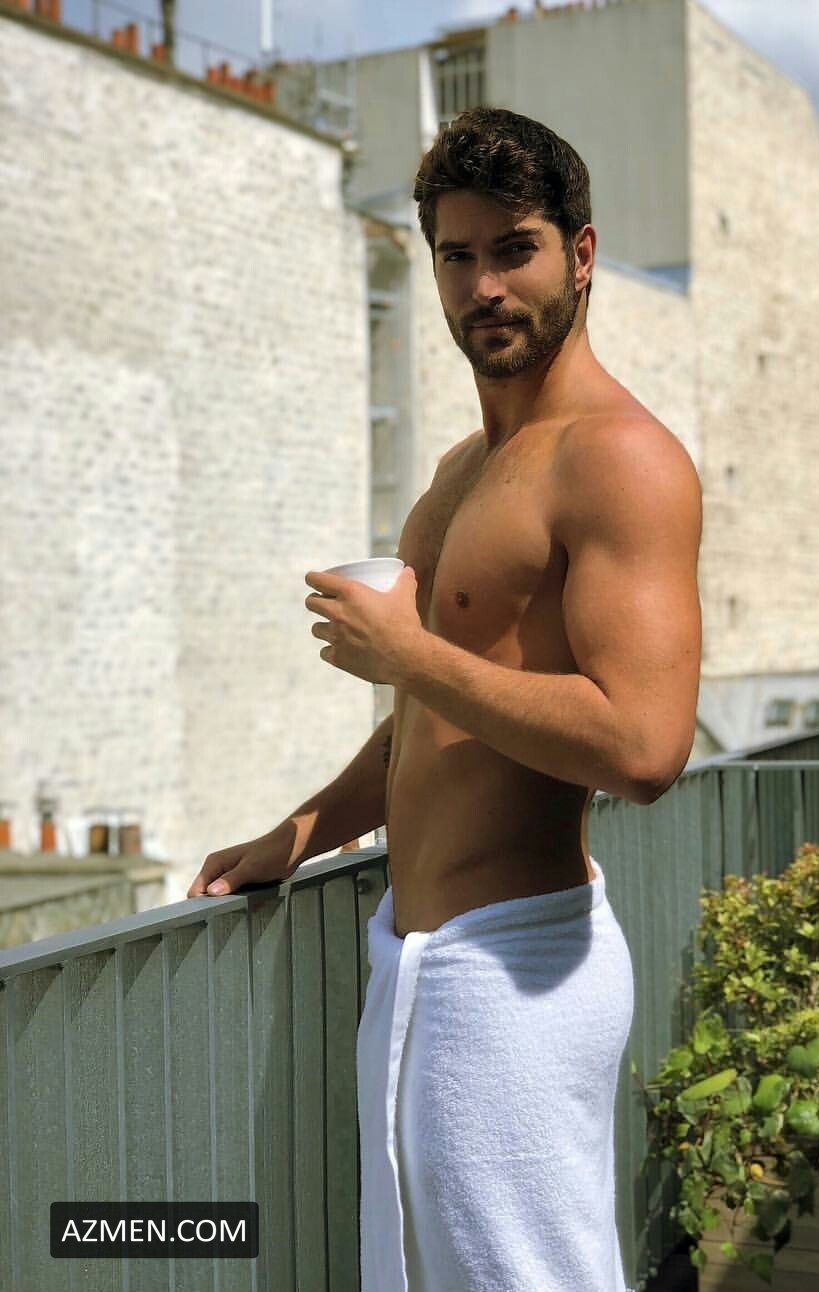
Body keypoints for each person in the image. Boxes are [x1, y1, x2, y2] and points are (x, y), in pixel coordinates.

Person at [188, 107, 702, 1292]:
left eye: (514, 249)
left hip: (516, 970)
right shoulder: (461, 471)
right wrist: (303, 828)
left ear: (581, 254)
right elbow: (436, 722)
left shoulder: (620, 459)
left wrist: (410, 655)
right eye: (457, 256)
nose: (485, 286)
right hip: (417, 961)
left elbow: (645, 746)